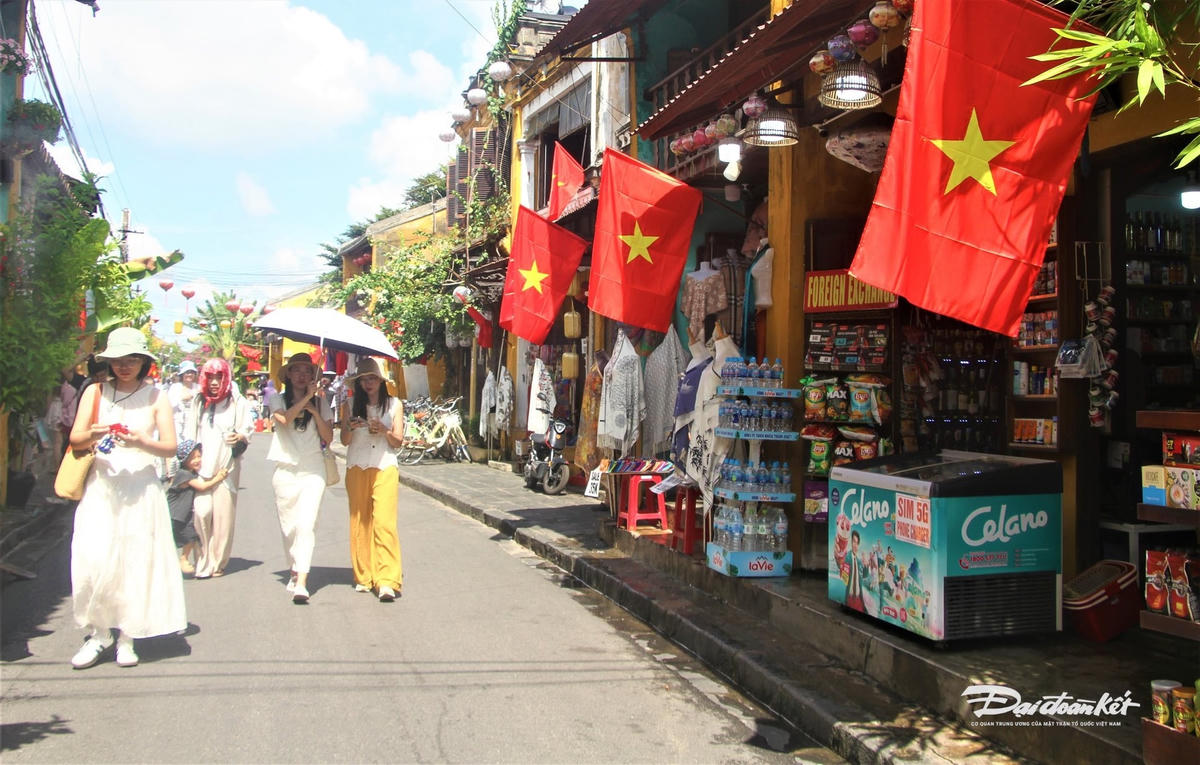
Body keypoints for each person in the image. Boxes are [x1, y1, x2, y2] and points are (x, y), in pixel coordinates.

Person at [67, 327, 185, 669]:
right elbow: (75, 439)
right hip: (101, 485)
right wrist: (95, 432)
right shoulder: (95, 392)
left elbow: (170, 446)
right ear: (108, 361)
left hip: (140, 488)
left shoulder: (155, 397)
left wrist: (140, 442)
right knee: (93, 559)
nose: (124, 366)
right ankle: (98, 632)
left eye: (132, 359)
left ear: (144, 362)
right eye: (118, 359)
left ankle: (127, 637)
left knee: (134, 563)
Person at [266, 353, 334, 603]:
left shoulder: (321, 403)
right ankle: (294, 568)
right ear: (290, 374)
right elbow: (283, 421)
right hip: (285, 469)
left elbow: (328, 436)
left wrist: (315, 411)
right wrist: (306, 398)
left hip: (313, 468)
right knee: (289, 528)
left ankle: (302, 581)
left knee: (306, 524)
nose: (303, 375)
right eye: (298, 370)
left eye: (308, 371)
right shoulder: (277, 399)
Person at [339, 358, 404, 602]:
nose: (369, 383)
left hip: (384, 465)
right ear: (358, 383)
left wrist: (384, 430)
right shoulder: (349, 404)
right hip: (357, 464)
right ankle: (364, 575)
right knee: (360, 521)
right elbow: (344, 440)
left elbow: (398, 441)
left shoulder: (394, 405)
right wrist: (351, 425)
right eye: (364, 379)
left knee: (385, 522)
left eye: (373, 378)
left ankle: (387, 580)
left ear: (381, 381)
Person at [185, 358, 252, 579]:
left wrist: (239, 436)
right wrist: (186, 463)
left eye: (219, 377)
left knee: (223, 519)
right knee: (201, 513)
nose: (214, 382)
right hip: (201, 468)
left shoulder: (236, 401)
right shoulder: (198, 401)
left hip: (227, 468)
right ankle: (202, 558)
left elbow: (246, 429)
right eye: (210, 377)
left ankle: (217, 562)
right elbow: (189, 433)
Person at [167, 439, 229, 575]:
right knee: (185, 536)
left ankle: (181, 559)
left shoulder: (190, 473)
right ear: (184, 460)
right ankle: (182, 559)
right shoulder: (184, 474)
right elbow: (202, 487)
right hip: (176, 513)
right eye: (192, 458)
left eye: (199, 456)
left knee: (189, 535)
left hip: (183, 513)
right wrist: (218, 478)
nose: (197, 460)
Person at [168, 360, 200, 437]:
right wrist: (182, 398)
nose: (189, 374)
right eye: (187, 372)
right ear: (182, 374)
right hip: (177, 423)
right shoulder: (175, 387)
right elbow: (169, 405)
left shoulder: (198, 388)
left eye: (192, 372)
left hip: (193, 423)